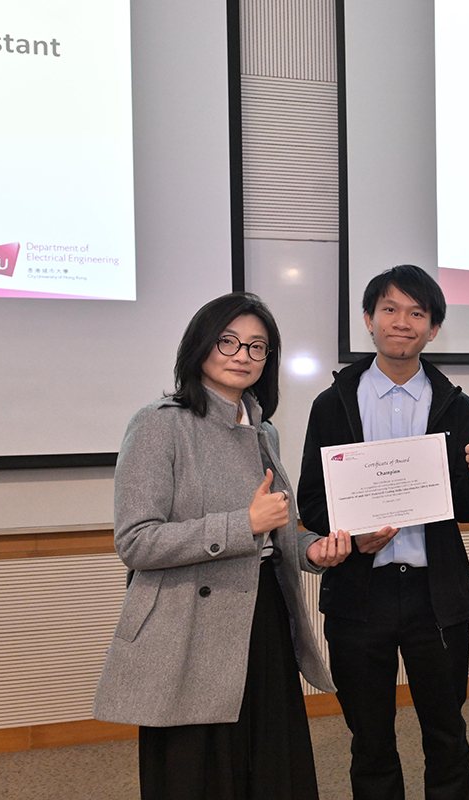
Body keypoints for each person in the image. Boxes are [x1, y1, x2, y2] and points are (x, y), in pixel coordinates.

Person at [94, 292, 349, 800]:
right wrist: (243, 525)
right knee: (199, 775)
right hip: (188, 626)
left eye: (258, 347)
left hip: (263, 618)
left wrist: (313, 550)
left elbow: (278, 530)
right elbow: (136, 541)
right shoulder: (159, 423)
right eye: (228, 341)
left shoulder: (263, 430)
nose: (242, 355)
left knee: (271, 766)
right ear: (200, 347)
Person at [297, 265, 469, 800]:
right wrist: (354, 535)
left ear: (433, 329)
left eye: (417, 313)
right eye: (390, 309)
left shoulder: (456, 405)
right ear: (368, 319)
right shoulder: (332, 403)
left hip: (437, 596)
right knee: (370, 740)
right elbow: (312, 501)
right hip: (361, 597)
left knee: (447, 735)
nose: (402, 322)